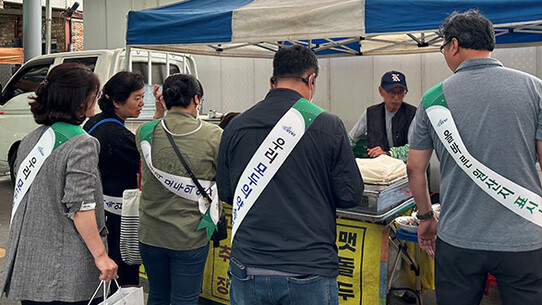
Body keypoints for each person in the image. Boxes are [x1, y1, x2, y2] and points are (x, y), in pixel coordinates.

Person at [406, 10, 542, 305]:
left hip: (458, 240)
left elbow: (415, 168)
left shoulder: (432, 99)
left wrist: (425, 218)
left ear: (453, 45)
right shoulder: (533, 88)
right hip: (525, 240)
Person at [216, 45, 363, 305]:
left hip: (248, 267)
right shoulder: (329, 125)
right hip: (308, 267)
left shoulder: (235, 126)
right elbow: (350, 194)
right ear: (312, 80)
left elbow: (227, 193)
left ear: (272, 81)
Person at [2, 62, 118, 304]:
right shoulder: (81, 143)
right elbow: (81, 208)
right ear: (79, 99)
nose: (96, 99)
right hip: (66, 272)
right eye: (93, 94)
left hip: (31, 266)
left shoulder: (31, 139)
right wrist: (101, 256)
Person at [135, 73, 222, 305]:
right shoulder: (214, 136)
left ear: (164, 99)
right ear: (196, 99)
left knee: (157, 295)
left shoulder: (143, 132)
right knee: (185, 299)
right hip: (190, 235)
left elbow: (155, 128)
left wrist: (160, 112)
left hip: (150, 234)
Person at [83, 71, 145, 290]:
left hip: (100, 212)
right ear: (117, 101)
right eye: (137, 97)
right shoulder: (117, 136)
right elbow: (145, 165)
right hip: (120, 219)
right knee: (123, 276)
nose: (142, 103)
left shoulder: (95, 123)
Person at [348, 70, 416, 160]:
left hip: (403, 169)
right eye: (391, 92)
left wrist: (388, 154)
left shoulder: (413, 114)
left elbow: (414, 148)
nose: (396, 98)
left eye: (400, 93)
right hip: (377, 169)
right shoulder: (370, 113)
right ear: (381, 91)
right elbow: (351, 139)